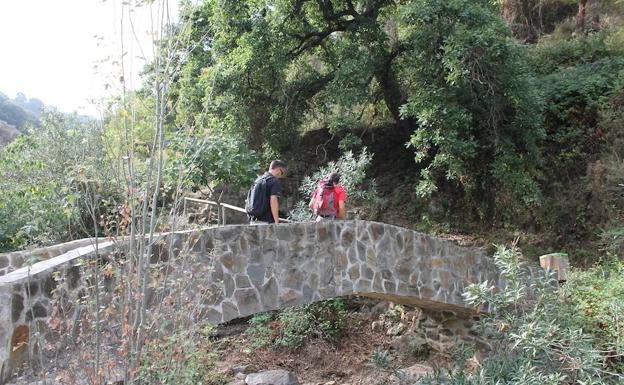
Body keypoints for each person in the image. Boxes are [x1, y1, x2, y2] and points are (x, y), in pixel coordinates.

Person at [246, 160, 287, 224]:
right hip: (266, 221)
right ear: (279, 170)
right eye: (282, 173)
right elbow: (273, 200)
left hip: (254, 220)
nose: (281, 176)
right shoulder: (274, 181)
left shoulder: (258, 179)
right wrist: (276, 221)